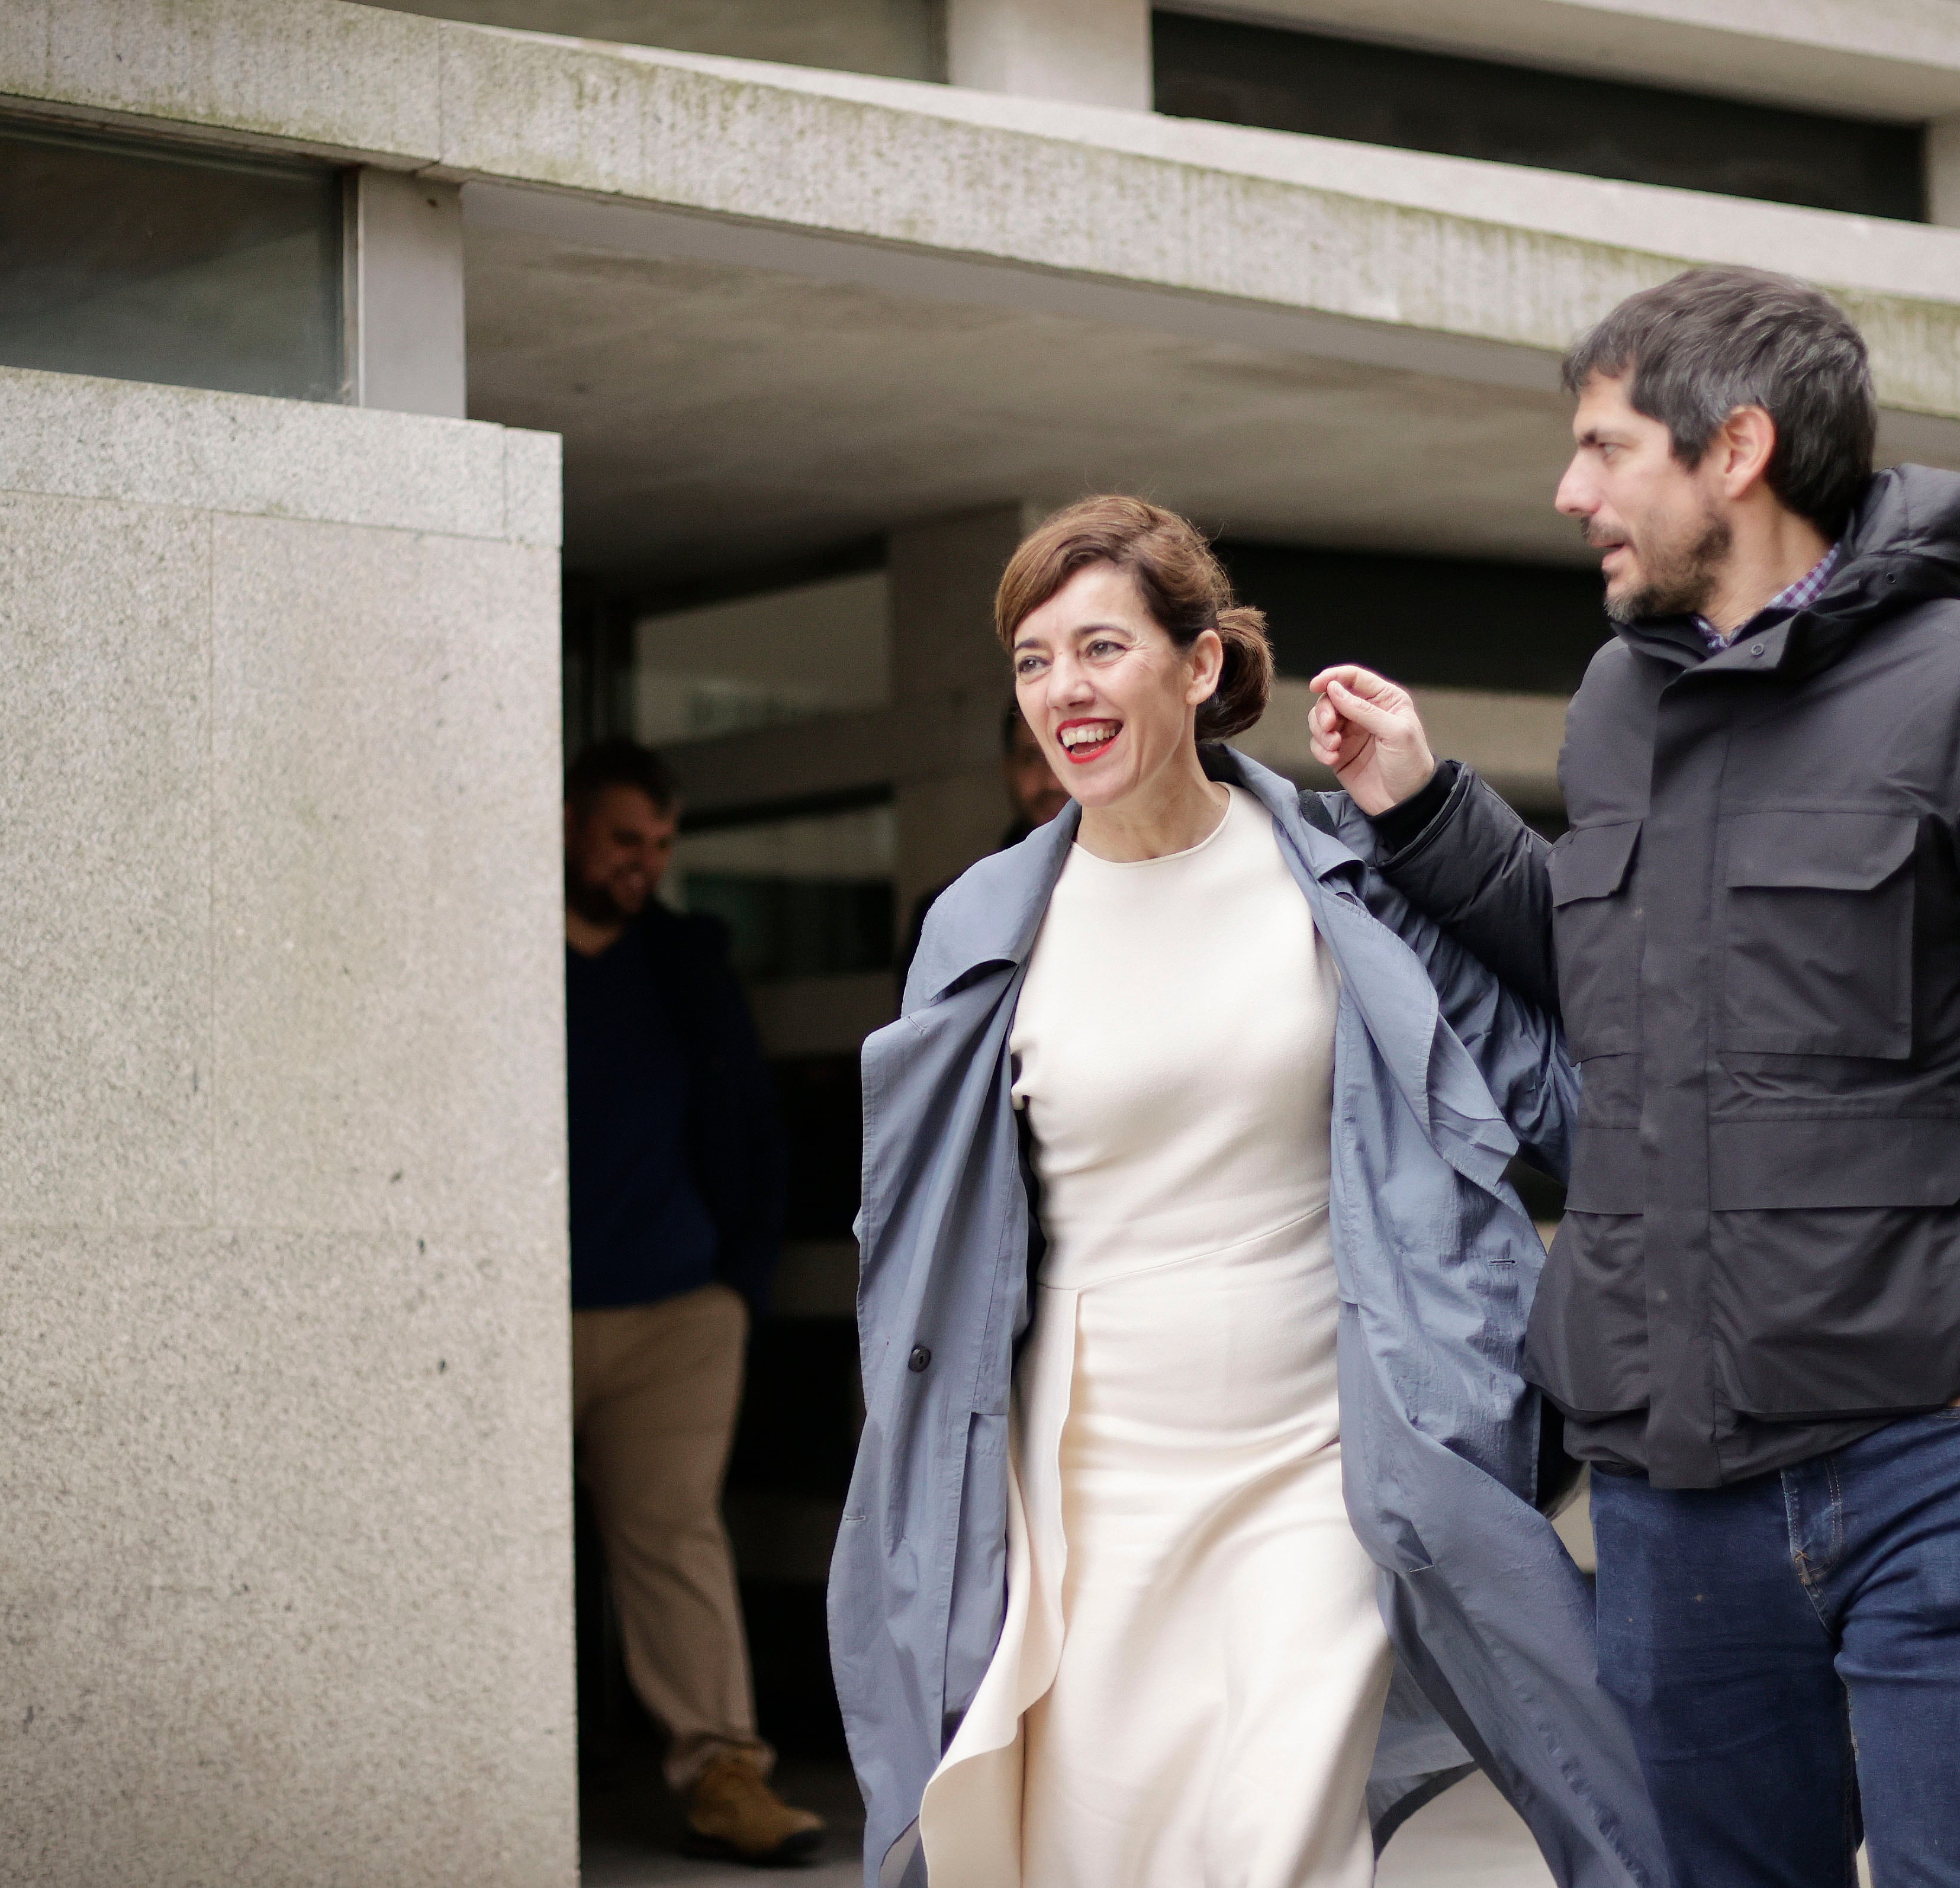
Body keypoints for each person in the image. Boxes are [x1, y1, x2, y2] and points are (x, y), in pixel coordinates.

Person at [1307, 266, 1960, 1888]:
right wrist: (1425, 806)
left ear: (1734, 447)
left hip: (1931, 1452)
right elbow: (1605, 978)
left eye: (1601, 447)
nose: (1567, 492)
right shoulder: (1616, 704)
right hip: (1669, 1492)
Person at [828, 498, 1661, 1888]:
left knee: (1276, 1842)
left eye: (1100, 646)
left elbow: (1571, 1100)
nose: (1062, 690)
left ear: (1200, 664)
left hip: (1321, 1464)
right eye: (1032, 660)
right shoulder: (979, 931)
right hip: (1085, 1477)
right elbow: (919, 1234)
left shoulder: (1344, 883)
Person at [563, 739, 826, 1866]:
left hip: (675, 1308)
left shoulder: (683, 960)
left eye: (662, 845)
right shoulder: (488, 943)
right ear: (567, 823)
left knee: (672, 1536)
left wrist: (737, 1283)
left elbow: (749, 1124)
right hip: (509, 1308)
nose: (645, 863)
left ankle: (724, 1772)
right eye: (627, 839)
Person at [898, 701, 1068, 982]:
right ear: (1008, 770)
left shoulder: (1142, 877)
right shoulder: (950, 916)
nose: (1052, 781)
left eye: (1066, 752)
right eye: (1033, 759)